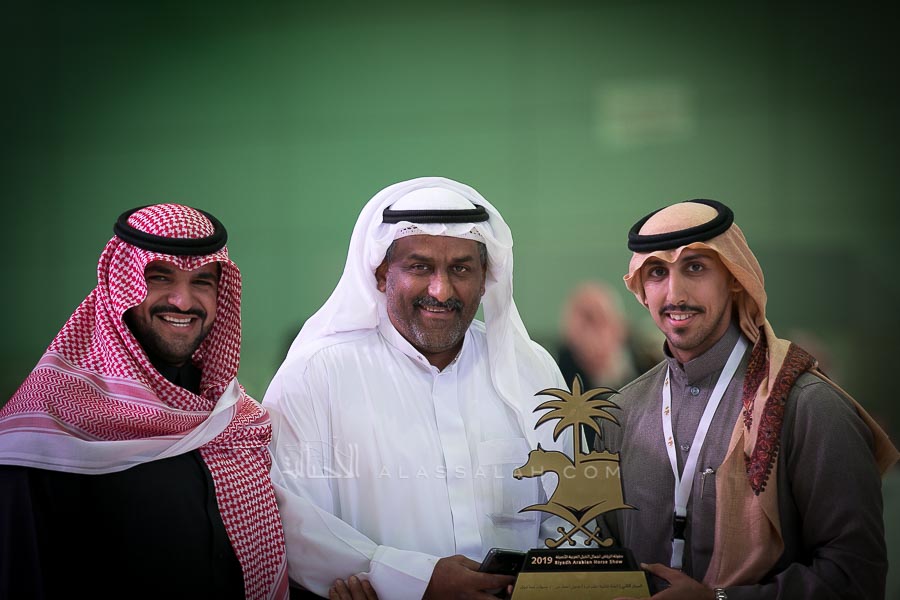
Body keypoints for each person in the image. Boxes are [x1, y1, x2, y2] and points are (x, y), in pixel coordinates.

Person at [263, 176, 569, 599]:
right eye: (419, 267)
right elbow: (291, 521)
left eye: (461, 268)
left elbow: (571, 516)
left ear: (486, 277)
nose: (441, 291)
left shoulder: (532, 371)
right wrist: (416, 581)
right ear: (382, 274)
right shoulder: (315, 376)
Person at [597, 199, 899, 599]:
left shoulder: (808, 407)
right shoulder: (619, 414)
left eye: (695, 267)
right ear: (641, 291)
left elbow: (856, 578)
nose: (675, 293)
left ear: (734, 278)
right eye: (657, 273)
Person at [0, 204, 290, 599]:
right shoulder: (48, 428)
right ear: (121, 286)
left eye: (202, 281)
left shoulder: (237, 421)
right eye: (160, 277)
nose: (183, 301)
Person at [556, 281, 661, 447]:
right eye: (584, 323)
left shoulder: (651, 368)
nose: (590, 334)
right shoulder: (559, 379)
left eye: (599, 320)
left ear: (621, 327)